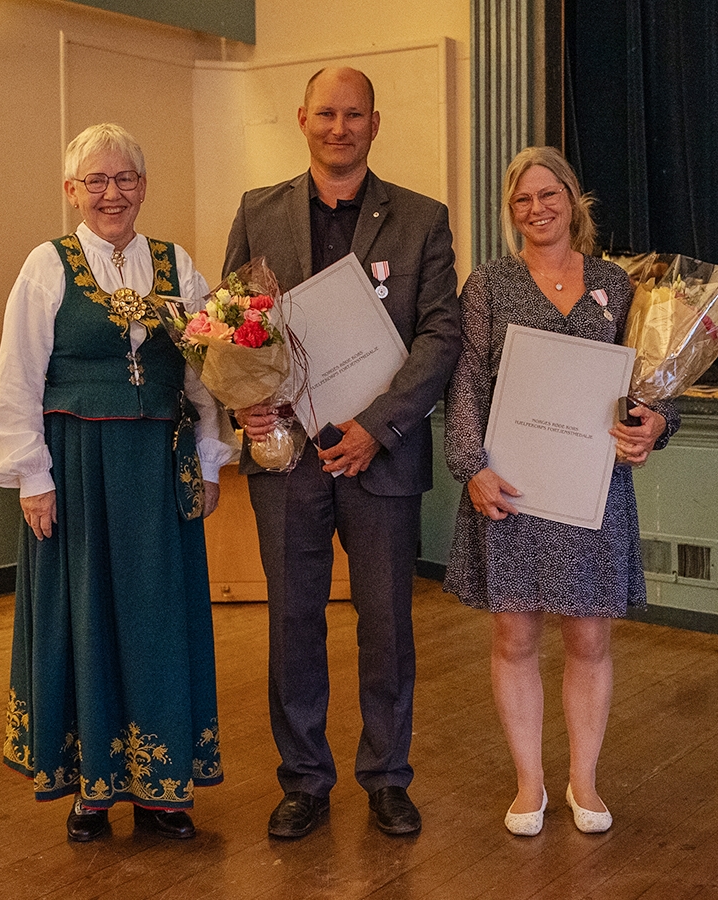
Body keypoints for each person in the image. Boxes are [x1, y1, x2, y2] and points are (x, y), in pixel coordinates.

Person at [0, 123, 239, 843]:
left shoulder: (176, 264)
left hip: (156, 472)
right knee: (86, 616)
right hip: (77, 471)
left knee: (158, 620)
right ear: (72, 191)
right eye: (95, 181)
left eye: (124, 179)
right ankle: (90, 787)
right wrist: (33, 477)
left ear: (143, 187)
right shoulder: (48, 265)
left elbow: (202, 373)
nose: (111, 194)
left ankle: (162, 789)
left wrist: (212, 456)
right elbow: (17, 379)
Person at [225, 67, 461, 839]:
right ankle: (304, 780)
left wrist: (379, 426)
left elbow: (440, 336)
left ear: (374, 123)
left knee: (388, 624)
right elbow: (233, 325)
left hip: (380, 457)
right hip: (287, 456)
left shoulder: (423, 218)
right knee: (294, 620)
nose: (339, 127)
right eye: (325, 113)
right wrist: (244, 398)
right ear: (302, 119)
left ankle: (388, 776)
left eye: (352, 114)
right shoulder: (257, 212)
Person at [443, 146, 675, 837]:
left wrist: (657, 424)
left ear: (574, 200)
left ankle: (584, 781)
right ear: (510, 212)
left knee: (590, 638)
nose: (537, 209)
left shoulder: (621, 283)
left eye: (549, 195)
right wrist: (470, 465)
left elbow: (652, 383)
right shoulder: (487, 284)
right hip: (509, 488)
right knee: (514, 636)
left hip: (591, 490)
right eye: (522, 200)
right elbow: (466, 385)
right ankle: (528, 784)